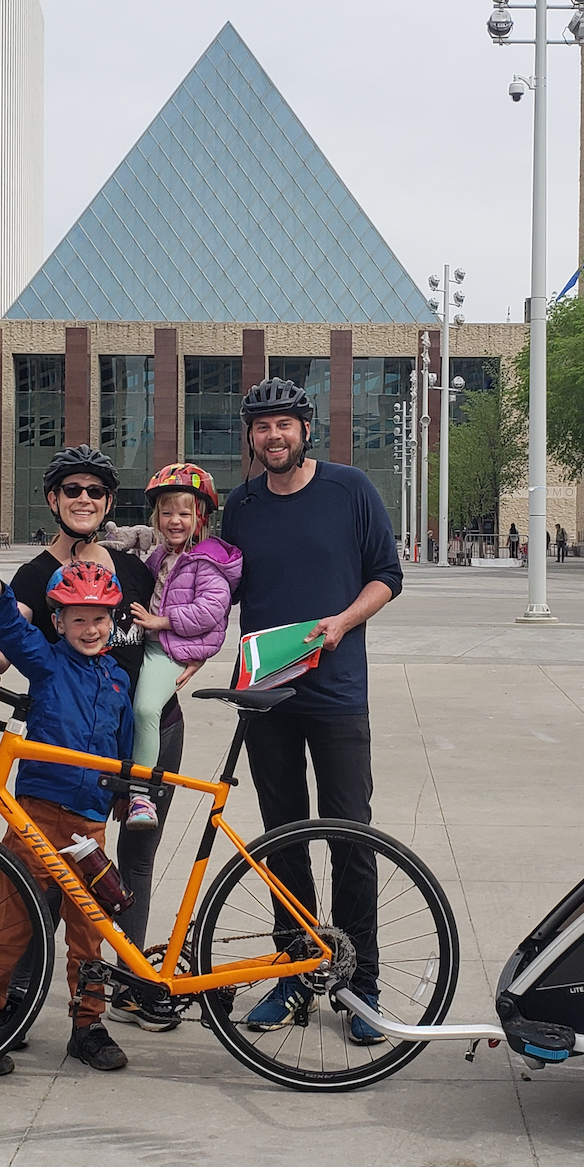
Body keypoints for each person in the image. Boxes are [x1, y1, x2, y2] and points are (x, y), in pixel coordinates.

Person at [0, 446, 189, 1032]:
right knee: (33, 894)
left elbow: (176, 626)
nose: (83, 500)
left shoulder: (134, 570)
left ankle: (132, 986)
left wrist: (184, 666)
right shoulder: (39, 576)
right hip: (61, 760)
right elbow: (15, 630)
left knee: (127, 873)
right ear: (54, 501)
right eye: (72, 491)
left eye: (94, 492)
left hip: (137, 733)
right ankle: (14, 1000)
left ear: (109, 502)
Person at [216, 378, 402, 1044]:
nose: (273, 436)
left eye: (284, 425)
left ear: (305, 428)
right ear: (251, 437)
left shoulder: (350, 490)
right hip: (266, 695)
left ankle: (360, 984)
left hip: (337, 694)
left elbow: (388, 574)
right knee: (283, 838)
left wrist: (343, 622)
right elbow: (219, 593)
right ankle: (294, 974)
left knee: (352, 837)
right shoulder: (240, 505)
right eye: (261, 427)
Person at [0, 547, 136, 1075]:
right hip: (36, 813)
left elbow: (122, 742)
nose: (89, 629)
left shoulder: (119, 679)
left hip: (89, 823)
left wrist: (122, 790)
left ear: (112, 621)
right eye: (77, 618)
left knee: (88, 932)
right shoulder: (48, 661)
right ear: (58, 621)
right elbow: (11, 631)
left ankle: (88, 1026)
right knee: (15, 924)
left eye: (99, 618)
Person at [125, 464, 240, 826]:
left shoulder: (207, 562)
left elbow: (210, 609)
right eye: (167, 512)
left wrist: (163, 621)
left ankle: (141, 796)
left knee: (145, 710)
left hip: (168, 649)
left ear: (201, 517)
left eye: (184, 513)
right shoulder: (161, 557)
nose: (175, 520)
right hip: (149, 644)